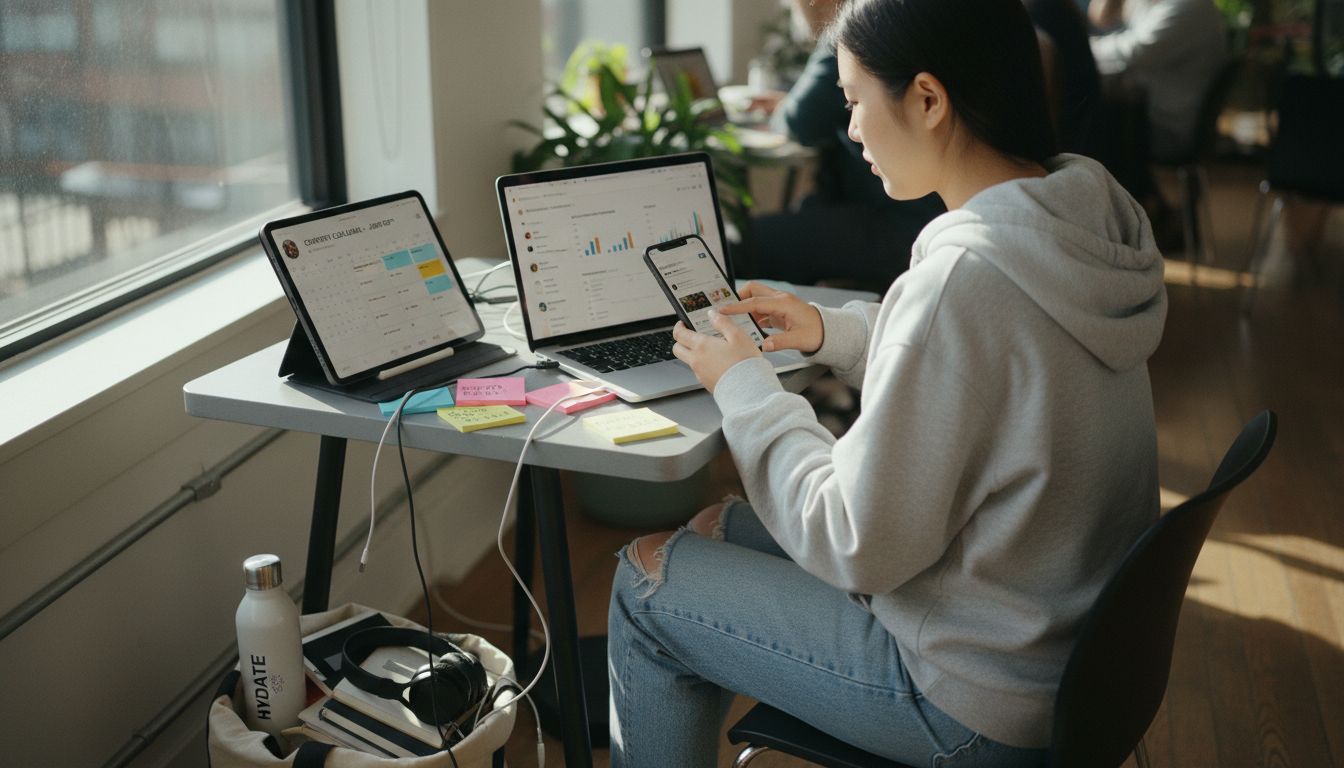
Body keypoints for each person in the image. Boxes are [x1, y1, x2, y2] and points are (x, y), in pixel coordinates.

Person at [606, 0, 1168, 765]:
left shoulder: (963, 280)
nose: (851, 129)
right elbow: (993, 367)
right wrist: (830, 330)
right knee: (711, 530)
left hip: (973, 698)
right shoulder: (1079, 220)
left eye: (854, 100)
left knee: (645, 582)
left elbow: (852, 540)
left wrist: (743, 384)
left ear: (929, 100)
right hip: (1061, 650)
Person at [745, 0, 944, 290]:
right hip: (908, 211)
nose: (854, 131)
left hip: (898, 220)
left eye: (855, 102)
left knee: (747, 242)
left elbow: (803, 121)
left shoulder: (862, 26)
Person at [1088, 0, 1227, 161]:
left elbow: (1134, 51)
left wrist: (1078, 47)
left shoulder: (1191, 5)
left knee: (1079, 120)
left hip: (1165, 130)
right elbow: (1103, 17)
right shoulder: (1155, 4)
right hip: (1146, 117)